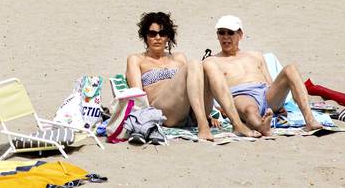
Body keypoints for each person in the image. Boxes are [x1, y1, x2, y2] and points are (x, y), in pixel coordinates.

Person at [202, 15, 323, 135]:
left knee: (291, 69)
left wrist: (280, 101)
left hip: (266, 93)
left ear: (240, 35)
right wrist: (218, 110)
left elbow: (270, 82)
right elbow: (210, 92)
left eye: (230, 33)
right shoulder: (212, 61)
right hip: (240, 94)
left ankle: (310, 120)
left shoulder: (256, 55)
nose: (226, 37)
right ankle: (261, 126)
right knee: (250, 109)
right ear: (217, 36)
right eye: (221, 33)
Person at [125, 12, 214, 141]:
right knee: (193, 64)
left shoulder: (179, 57)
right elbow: (137, 95)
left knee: (206, 65)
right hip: (161, 111)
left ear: (168, 37)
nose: (157, 37)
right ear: (145, 36)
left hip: (186, 112)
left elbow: (194, 84)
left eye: (162, 33)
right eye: (152, 33)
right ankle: (203, 124)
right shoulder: (137, 59)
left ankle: (229, 121)